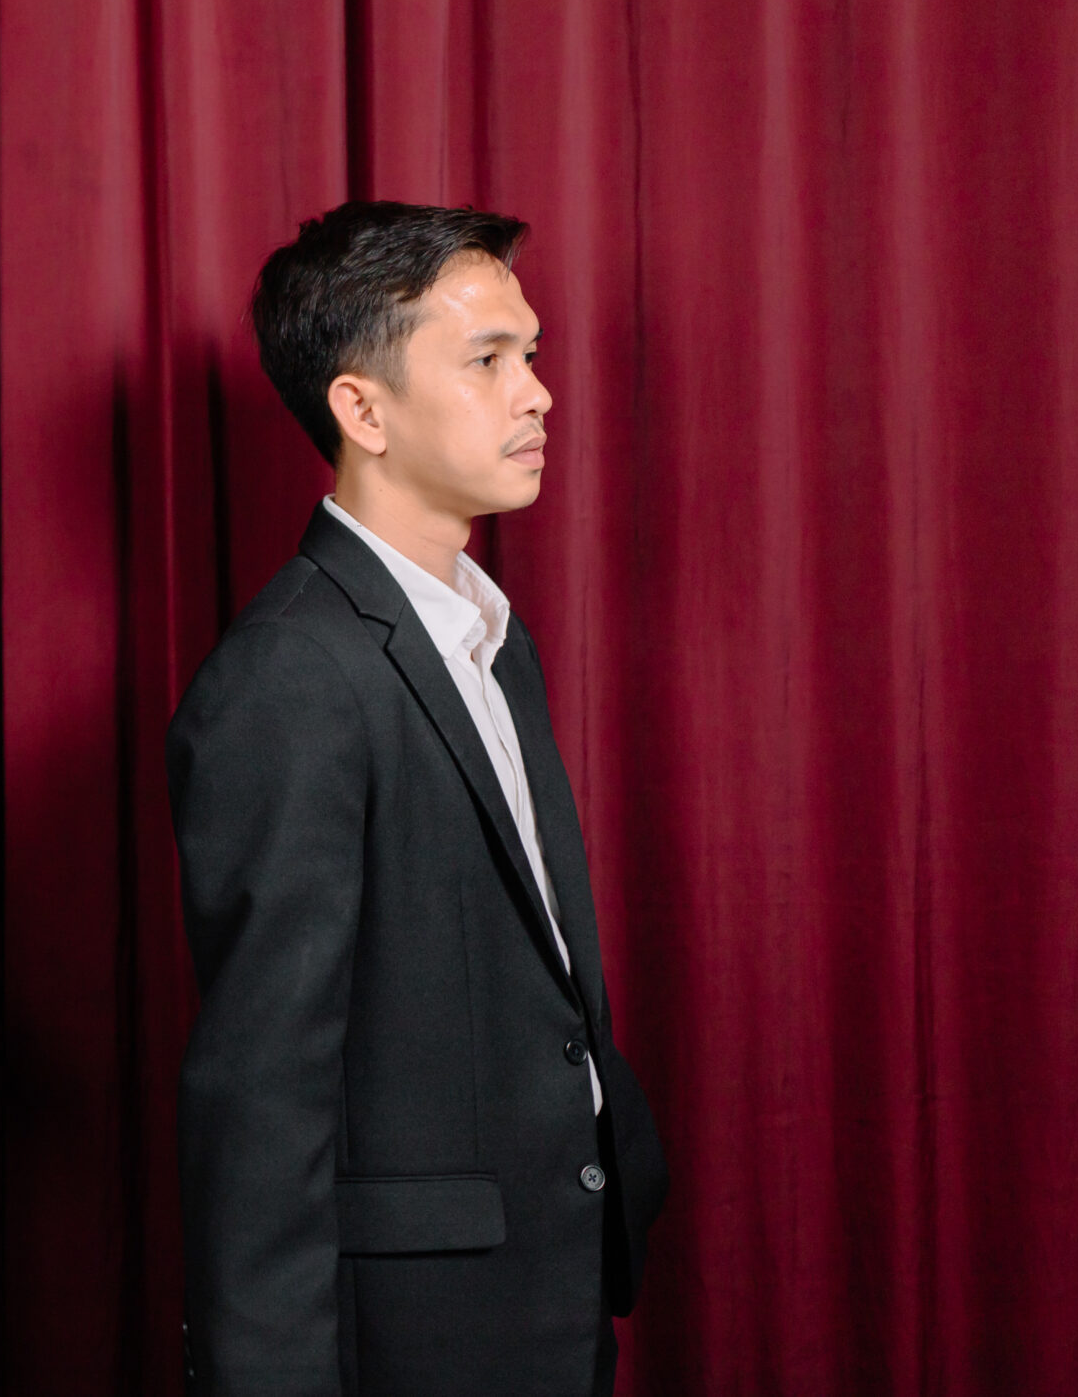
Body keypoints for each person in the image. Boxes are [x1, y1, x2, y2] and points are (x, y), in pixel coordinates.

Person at [167, 202, 666, 1397]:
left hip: (546, 1283)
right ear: (363, 410)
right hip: (413, 1327)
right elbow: (261, 1096)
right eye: (487, 360)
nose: (537, 393)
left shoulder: (491, 638)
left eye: (529, 355)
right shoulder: (289, 674)